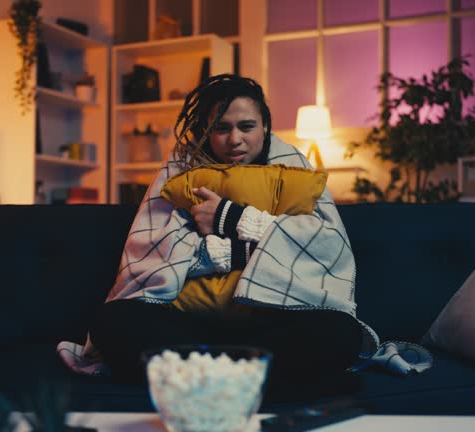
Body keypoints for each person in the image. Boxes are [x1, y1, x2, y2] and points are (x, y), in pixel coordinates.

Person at [62, 74, 379, 388]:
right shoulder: (180, 168)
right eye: (221, 128)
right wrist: (232, 252)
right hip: (191, 327)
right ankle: (252, 379)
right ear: (206, 131)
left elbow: (325, 245)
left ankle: (197, 379)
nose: (235, 140)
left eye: (247, 126)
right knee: (112, 321)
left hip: (270, 322)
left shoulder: (295, 167)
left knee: (341, 332)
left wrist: (230, 218)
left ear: (265, 126)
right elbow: (154, 248)